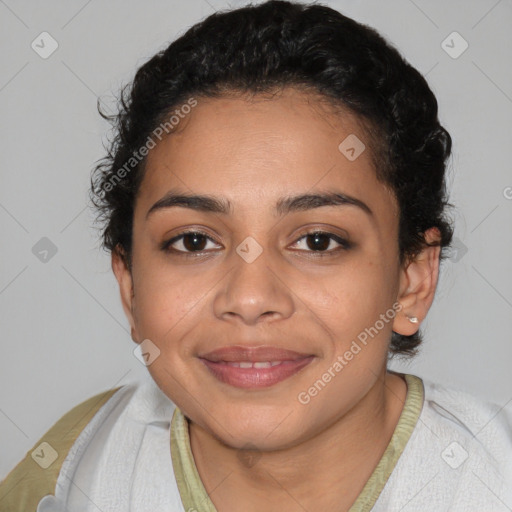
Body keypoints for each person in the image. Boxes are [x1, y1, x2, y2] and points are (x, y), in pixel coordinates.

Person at [1, 1, 511, 511]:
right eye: (194, 241)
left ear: (412, 279)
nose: (249, 299)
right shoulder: (71, 474)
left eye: (317, 241)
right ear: (129, 282)